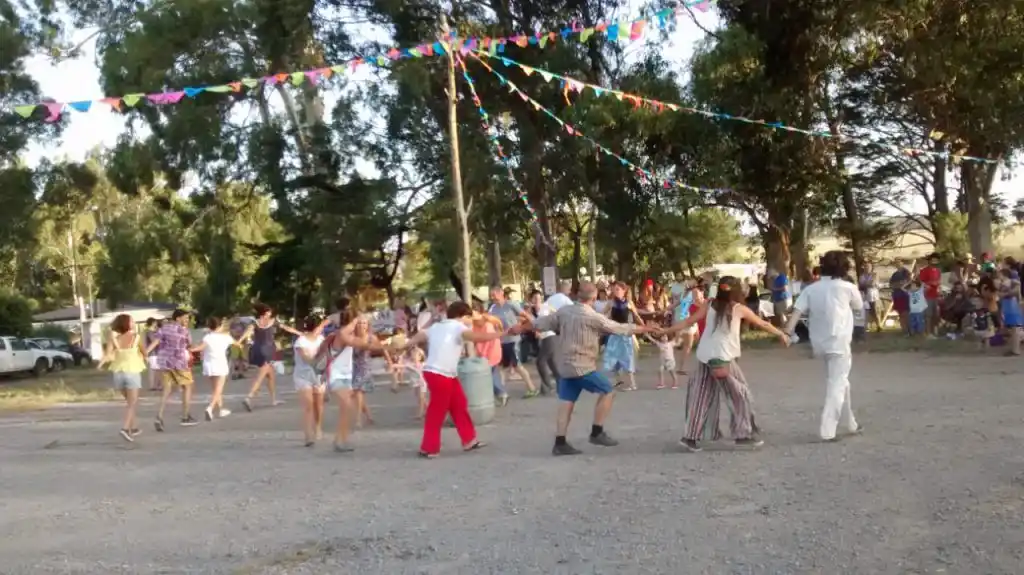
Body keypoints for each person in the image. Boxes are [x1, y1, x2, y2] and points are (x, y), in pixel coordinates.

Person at [517, 282, 656, 456]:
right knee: (608, 391)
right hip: (582, 367)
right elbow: (619, 328)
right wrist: (644, 328)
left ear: (577, 295)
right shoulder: (592, 317)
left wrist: (519, 328)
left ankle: (560, 443)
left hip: (566, 366)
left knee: (566, 404)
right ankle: (596, 432)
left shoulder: (564, 312)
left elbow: (540, 323)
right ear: (594, 297)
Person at [665, 277, 788, 452]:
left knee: (700, 397)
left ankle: (690, 437)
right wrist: (781, 334)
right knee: (740, 395)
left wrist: (666, 330)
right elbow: (762, 323)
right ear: (737, 291)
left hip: (705, 355)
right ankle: (743, 434)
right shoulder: (738, 309)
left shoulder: (709, 305)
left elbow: (687, 321)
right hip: (723, 358)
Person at [392, 301, 502, 458]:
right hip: (440, 373)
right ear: (463, 316)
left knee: (459, 404)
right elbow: (477, 337)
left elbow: (421, 334)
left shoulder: (438, 326)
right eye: (468, 317)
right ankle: (429, 448)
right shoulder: (459, 327)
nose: (470, 321)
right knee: (437, 411)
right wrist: (499, 335)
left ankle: (469, 439)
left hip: (443, 373)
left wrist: (406, 345)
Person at [784, 251, 863, 443]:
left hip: (819, 341)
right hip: (839, 341)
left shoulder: (811, 289)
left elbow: (796, 311)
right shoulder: (848, 287)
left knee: (841, 381)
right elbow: (858, 306)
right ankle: (828, 430)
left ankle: (850, 422)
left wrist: (787, 332)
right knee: (837, 383)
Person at [320, 306, 382, 452]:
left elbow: (364, 344)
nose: (359, 323)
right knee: (347, 406)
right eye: (356, 321)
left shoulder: (349, 335)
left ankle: (341, 439)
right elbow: (361, 344)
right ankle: (340, 440)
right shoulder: (342, 335)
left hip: (346, 376)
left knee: (346, 410)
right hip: (336, 376)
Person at [242, 303, 302, 411]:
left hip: (257, 350)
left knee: (270, 374)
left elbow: (247, 332)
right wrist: (299, 333)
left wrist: (239, 340)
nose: (270, 313)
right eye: (268, 311)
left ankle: (274, 399)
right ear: (264, 313)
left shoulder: (255, 322)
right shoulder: (272, 321)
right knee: (261, 376)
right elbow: (286, 328)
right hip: (267, 350)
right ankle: (249, 397)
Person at [145, 309, 198, 431]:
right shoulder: (184, 331)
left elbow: (156, 342)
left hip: (164, 362)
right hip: (178, 361)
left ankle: (159, 416)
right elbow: (190, 346)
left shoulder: (163, 328)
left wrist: (146, 352)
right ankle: (185, 416)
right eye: (185, 318)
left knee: (167, 389)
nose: (187, 321)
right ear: (177, 318)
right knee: (187, 386)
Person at [98, 313, 146, 442]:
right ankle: (125, 429)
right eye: (132, 321)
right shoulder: (136, 337)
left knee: (130, 403)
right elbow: (144, 352)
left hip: (118, 374)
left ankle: (134, 427)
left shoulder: (115, 339)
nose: (134, 323)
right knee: (132, 403)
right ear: (127, 324)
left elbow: (108, 355)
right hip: (132, 372)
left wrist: (100, 364)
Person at [488, 286, 538, 398]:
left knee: (517, 366)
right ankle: (501, 391)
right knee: (502, 367)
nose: (492, 297)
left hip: (513, 340)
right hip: (501, 341)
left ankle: (532, 388)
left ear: (500, 293)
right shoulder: (492, 309)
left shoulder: (511, 305)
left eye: (494, 294)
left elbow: (525, 315)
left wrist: (535, 326)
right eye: (491, 295)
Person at [190, 316, 237, 422]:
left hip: (209, 364)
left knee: (215, 389)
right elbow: (237, 344)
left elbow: (200, 348)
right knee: (219, 389)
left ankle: (220, 409)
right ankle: (210, 408)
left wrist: (191, 350)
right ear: (220, 326)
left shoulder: (207, 337)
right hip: (220, 364)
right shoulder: (226, 337)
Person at [602, 282, 645, 391]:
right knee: (612, 357)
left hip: (625, 333)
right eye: (614, 289)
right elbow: (602, 315)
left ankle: (632, 384)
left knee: (628, 358)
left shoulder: (629, 303)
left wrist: (644, 327)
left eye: (617, 289)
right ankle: (619, 381)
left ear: (623, 291)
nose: (615, 291)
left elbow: (636, 316)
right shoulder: (610, 303)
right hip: (615, 333)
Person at [291, 316, 327, 446]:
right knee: (308, 405)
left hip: (318, 375)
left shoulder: (322, 340)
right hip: (303, 375)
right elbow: (305, 357)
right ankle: (308, 435)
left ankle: (318, 427)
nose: (321, 329)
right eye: (319, 327)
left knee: (318, 404)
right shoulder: (301, 341)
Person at [471, 305, 507, 406]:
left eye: (472, 314)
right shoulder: (475, 325)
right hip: (483, 354)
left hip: (491, 353)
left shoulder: (487, 325)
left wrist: (482, 355)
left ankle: (499, 393)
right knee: (491, 375)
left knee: (488, 376)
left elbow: (488, 342)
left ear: (478, 313)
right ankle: (500, 394)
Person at [998, 267, 1022, 355]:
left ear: (1004, 274)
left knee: (1015, 328)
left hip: (1012, 306)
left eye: (1000, 274)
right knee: (1012, 329)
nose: (998, 276)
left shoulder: (1012, 282)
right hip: (1007, 306)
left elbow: (1016, 289)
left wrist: (1006, 293)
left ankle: (1016, 350)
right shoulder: (1003, 283)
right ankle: (1014, 349)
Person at [919, 253, 943, 337]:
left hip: (936, 294)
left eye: (936, 259)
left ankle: (934, 331)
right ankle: (928, 333)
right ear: (929, 260)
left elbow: (939, 281)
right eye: (933, 259)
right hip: (927, 295)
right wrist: (929, 284)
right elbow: (921, 282)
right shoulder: (924, 270)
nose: (935, 261)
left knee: (936, 314)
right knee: (928, 315)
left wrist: (939, 288)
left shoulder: (938, 270)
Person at [889, 259, 912, 334]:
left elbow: (908, 282)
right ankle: (904, 330)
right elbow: (891, 285)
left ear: (902, 263)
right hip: (896, 295)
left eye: (899, 262)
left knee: (906, 313)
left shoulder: (906, 272)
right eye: (896, 263)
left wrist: (899, 285)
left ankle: (909, 330)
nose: (897, 264)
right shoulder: (894, 274)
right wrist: (899, 284)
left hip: (905, 295)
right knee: (900, 313)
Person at [859, 262, 883, 332]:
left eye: (869, 266)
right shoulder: (862, 276)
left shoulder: (874, 274)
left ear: (871, 267)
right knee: (866, 310)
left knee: (874, 310)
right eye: (866, 266)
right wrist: (867, 284)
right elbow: (861, 285)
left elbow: (872, 283)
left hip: (873, 295)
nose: (867, 268)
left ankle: (878, 325)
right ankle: (867, 326)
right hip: (865, 295)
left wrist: (866, 284)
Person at [143, 318, 162, 391]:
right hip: (153, 353)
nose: (156, 324)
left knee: (156, 369)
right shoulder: (149, 332)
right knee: (155, 369)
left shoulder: (153, 331)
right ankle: (154, 385)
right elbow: (154, 341)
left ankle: (155, 385)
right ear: (153, 323)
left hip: (156, 352)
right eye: (155, 322)